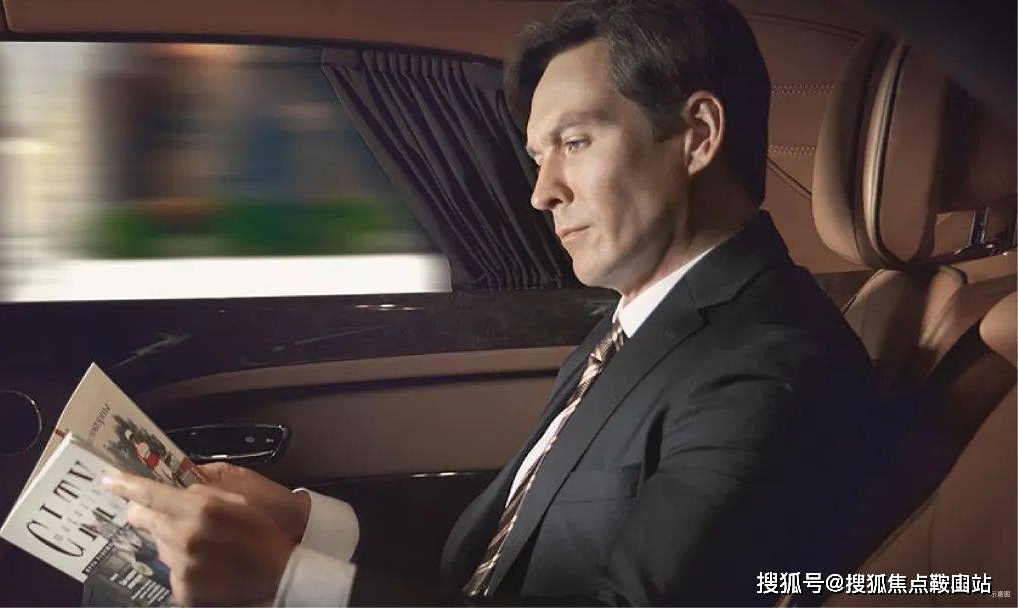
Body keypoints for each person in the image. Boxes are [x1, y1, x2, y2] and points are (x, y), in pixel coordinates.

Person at [103, 0, 881, 605]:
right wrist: (302, 524)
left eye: (575, 142)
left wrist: (290, 585)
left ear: (697, 135)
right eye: (539, 156)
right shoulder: (637, 325)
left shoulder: (766, 362)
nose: (543, 192)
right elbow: (502, 550)